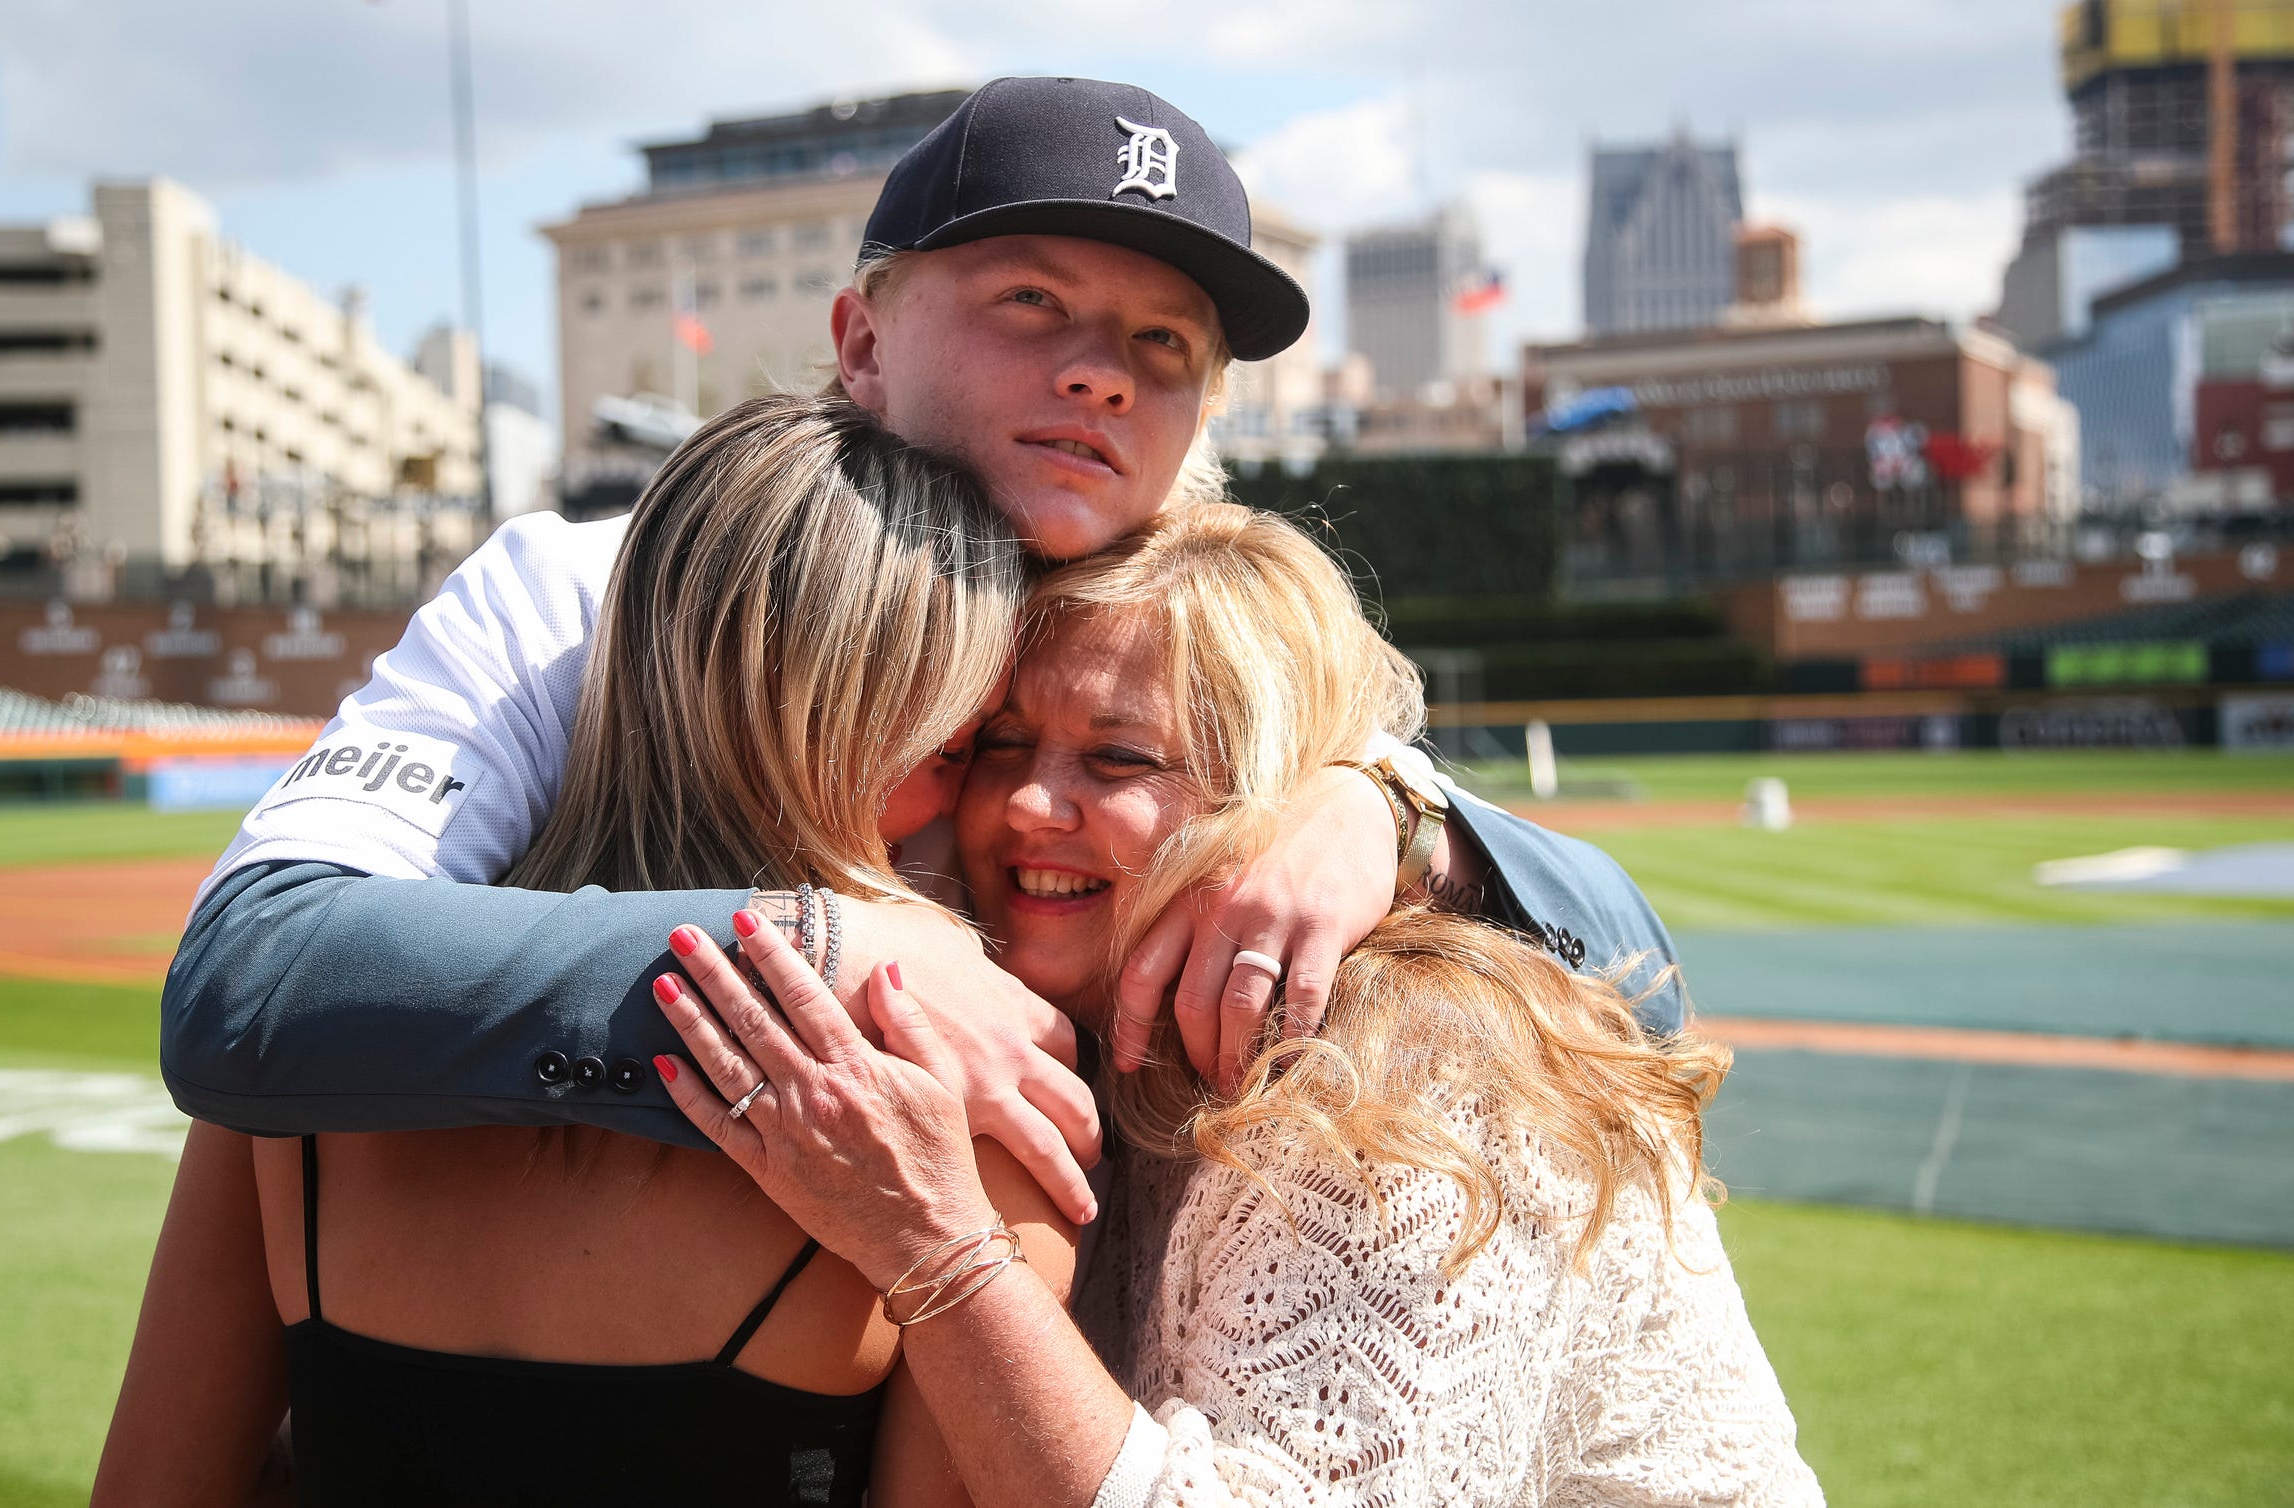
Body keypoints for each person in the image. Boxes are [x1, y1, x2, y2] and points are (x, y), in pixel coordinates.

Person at [155, 77, 1687, 1231]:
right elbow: (251, 979)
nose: (1100, 369)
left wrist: (1389, 817)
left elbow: (1643, 979)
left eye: (1166, 345)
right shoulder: (595, 590)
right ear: (865, 339)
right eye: (1034, 301)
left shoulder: (1220, 645)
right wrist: (812, 956)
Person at [651, 502, 1823, 1507]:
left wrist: (936, 1249)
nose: (1028, 806)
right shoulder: (1082, 1024)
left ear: (1263, 795)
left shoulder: (1414, 1068)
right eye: (1002, 744)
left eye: (1116, 761)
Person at [94, 393, 1079, 1506]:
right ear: (824, 726)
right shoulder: (963, 1129)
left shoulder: (305, 1079)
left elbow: (147, 1485)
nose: (967, 795)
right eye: (954, 746)